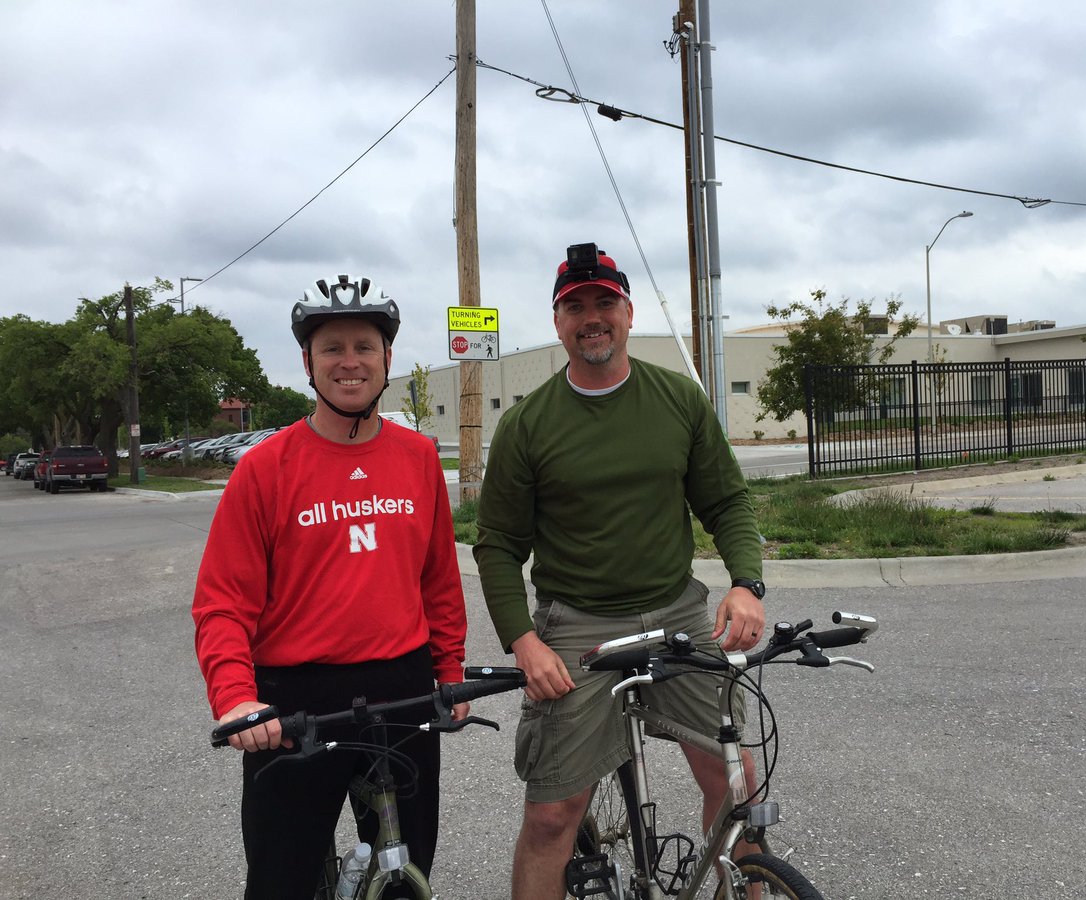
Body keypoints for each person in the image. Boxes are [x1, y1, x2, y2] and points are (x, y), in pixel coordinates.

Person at [473, 244, 767, 899]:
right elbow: (496, 546)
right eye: (575, 306)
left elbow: (725, 501)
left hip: (675, 609)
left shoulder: (677, 401)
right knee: (552, 816)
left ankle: (749, 888)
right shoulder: (528, 425)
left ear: (628, 312)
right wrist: (525, 642)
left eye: (605, 302)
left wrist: (746, 584)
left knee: (738, 782)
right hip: (576, 621)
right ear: (558, 323)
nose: (592, 317)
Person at [192, 275, 468, 900]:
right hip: (295, 700)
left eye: (365, 346)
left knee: (405, 878)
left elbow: (439, 581)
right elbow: (222, 603)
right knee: (281, 880)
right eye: (332, 348)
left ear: (388, 358)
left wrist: (448, 668)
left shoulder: (419, 456)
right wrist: (237, 698)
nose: (350, 362)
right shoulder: (265, 468)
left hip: (402, 691)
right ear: (308, 364)